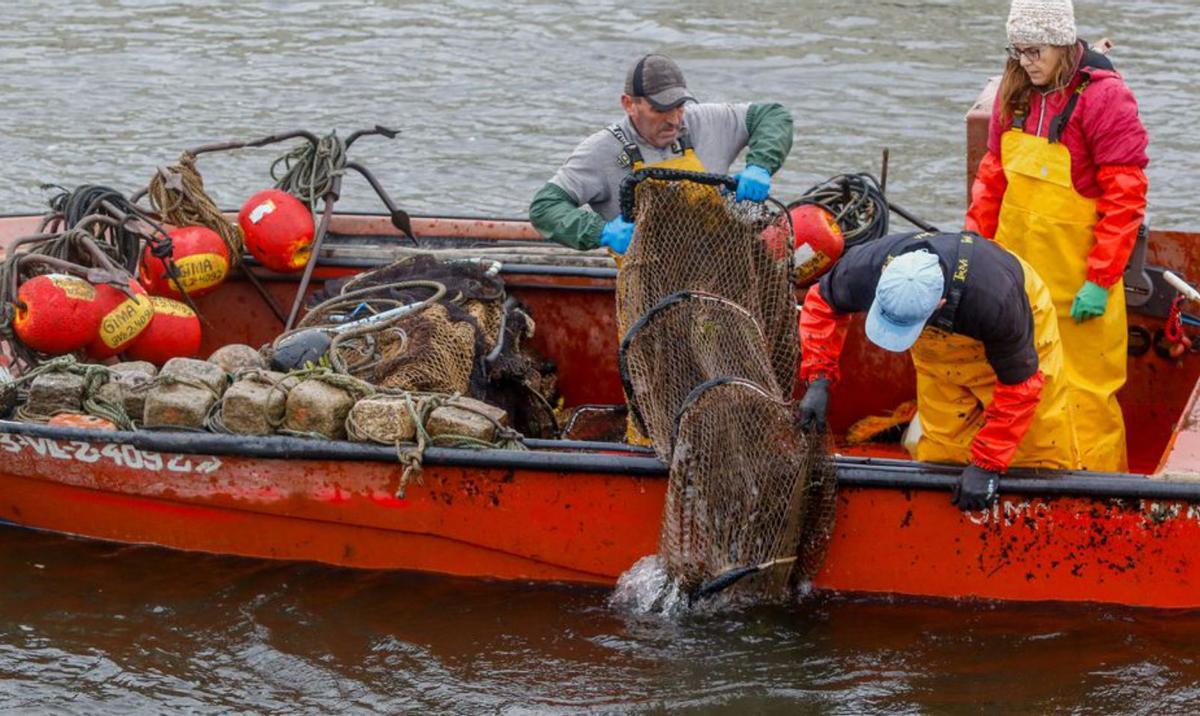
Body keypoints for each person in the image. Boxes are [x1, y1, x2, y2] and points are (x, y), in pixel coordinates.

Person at [965, 0, 1148, 472]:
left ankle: (1100, 496)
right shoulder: (1017, 89)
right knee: (1016, 382)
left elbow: (1124, 197)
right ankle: (1025, 478)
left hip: (1079, 287)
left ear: (1063, 42)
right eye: (1018, 51)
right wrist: (972, 252)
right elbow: (992, 180)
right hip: (1017, 279)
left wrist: (1100, 280)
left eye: (1035, 50)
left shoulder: (1105, 98)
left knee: (1087, 396)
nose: (1026, 61)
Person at [797, 231, 1081, 511]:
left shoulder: (997, 302)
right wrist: (818, 378)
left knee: (1037, 451)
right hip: (939, 355)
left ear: (940, 305)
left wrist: (987, 464)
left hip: (1016, 325)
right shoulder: (867, 267)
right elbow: (822, 302)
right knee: (942, 451)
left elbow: (1021, 387)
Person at [528, 53, 793, 254]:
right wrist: (601, 232)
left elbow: (771, 115)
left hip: (721, 266)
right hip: (650, 287)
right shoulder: (601, 151)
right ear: (629, 104)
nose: (675, 120)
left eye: (679, 107)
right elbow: (545, 207)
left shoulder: (704, 121)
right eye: (660, 109)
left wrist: (760, 165)